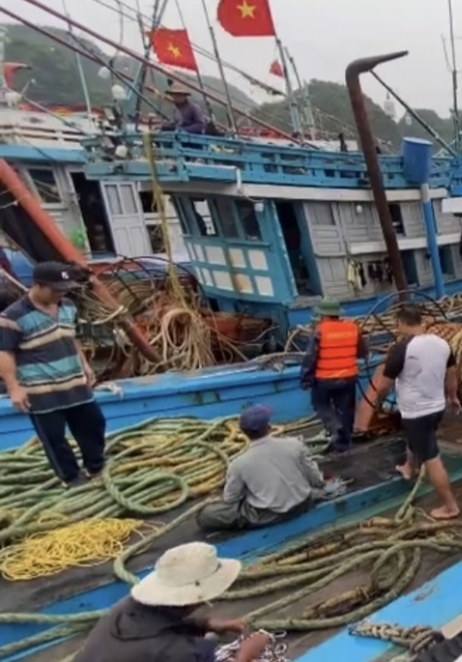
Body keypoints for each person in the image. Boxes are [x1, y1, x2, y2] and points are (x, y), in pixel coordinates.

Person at [0, 261, 106, 487]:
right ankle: (70, 477)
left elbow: (71, 337)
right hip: (40, 389)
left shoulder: (68, 306)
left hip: (74, 381)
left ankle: (95, 468)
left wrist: (85, 365)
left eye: (65, 289)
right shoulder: (12, 316)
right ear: (38, 285)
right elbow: (5, 354)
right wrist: (14, 389)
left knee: (93, 423)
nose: (62, 293)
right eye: (56, 289)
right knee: (54, 437)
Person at [74, 541, 271, 662]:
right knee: (205, 649)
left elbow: (161, 623)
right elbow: (171, 649)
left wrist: (205, 624)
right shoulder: (176, 652)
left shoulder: (126, 608)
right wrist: (246, 654)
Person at [366, 307, 461, 519]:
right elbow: (452, 375)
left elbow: (384, 385)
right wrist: (453, 398)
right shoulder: (443, 344)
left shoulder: (401, 349)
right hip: (437, 408)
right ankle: (409, 466)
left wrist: (378, 401)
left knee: (432, 458)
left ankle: (450, 506)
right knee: (417, 439)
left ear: (401, 323)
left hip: (417, 413)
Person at [196, 405, 325, 532]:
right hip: (303, 504)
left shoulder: (239, 463)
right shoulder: (295, 445)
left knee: (206, 515)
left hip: (268, 516)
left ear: (244, 433)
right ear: (269, 427)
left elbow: (230, 499)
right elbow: (316, 480)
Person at [300, 298, 367, 454]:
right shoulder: (353, 328)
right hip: (349, 378)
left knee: (320, 405)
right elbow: (362, 352)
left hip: (325, 379)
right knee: (346, 409)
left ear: (323, 315)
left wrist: (306, 379)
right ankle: (345, 441)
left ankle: (337, 429)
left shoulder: (320, 330)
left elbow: (311, 358)